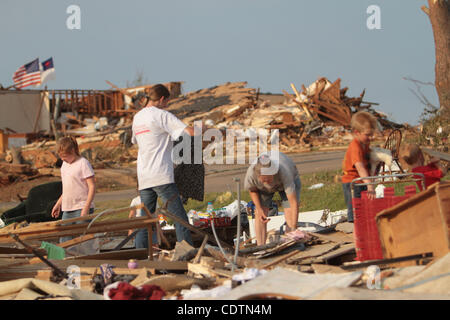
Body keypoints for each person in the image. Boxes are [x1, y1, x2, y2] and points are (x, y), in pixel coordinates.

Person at [132, 84, 196, 247]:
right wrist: (209, 130)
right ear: (161, 99)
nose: (167, 104)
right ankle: (186, 253)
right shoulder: (161, 115)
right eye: (167, 101)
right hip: (161, 176)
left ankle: (141, 256)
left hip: (144, 177)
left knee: (145, 220)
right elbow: (190, 132)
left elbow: (135, 141)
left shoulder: (137, 117)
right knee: (179, 218)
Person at [244, 151, 301, 245]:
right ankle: (260, 246)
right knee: (260, 214)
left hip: (285, 182)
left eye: (269, 179)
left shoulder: (284, 172)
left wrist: (294, 227)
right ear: (258, 176)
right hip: (263, 189)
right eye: (264, 180)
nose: (268, 182)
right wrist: (259, 208)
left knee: (289, 210)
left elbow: (293, 203)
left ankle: (290, 240)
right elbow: (253, 190)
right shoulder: (251, 175)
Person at [51, 136, 96, 243]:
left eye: (65, 156)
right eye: (61, 156)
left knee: (82, 240)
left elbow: (92, 186)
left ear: (72, 151)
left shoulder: (83, 163)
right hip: (68, 209)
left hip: (81, 207)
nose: (62, 159)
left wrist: (86, 207)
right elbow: (67, 189)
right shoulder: (64, 165)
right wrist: (58, 204)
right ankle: (66, 259)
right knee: (65, 239)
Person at [342, 111, 378, 223]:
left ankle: (364, 225)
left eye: (372, 134)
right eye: (367, 135)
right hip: (353, 182)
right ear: (357, 132)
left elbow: (367, 161)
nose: (371, 137)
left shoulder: (365, 144)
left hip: (362, 181)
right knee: (355, 208)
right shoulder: (355, 147)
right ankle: (355, 228)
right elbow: (360, 167)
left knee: (365, 207)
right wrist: (370, 186)